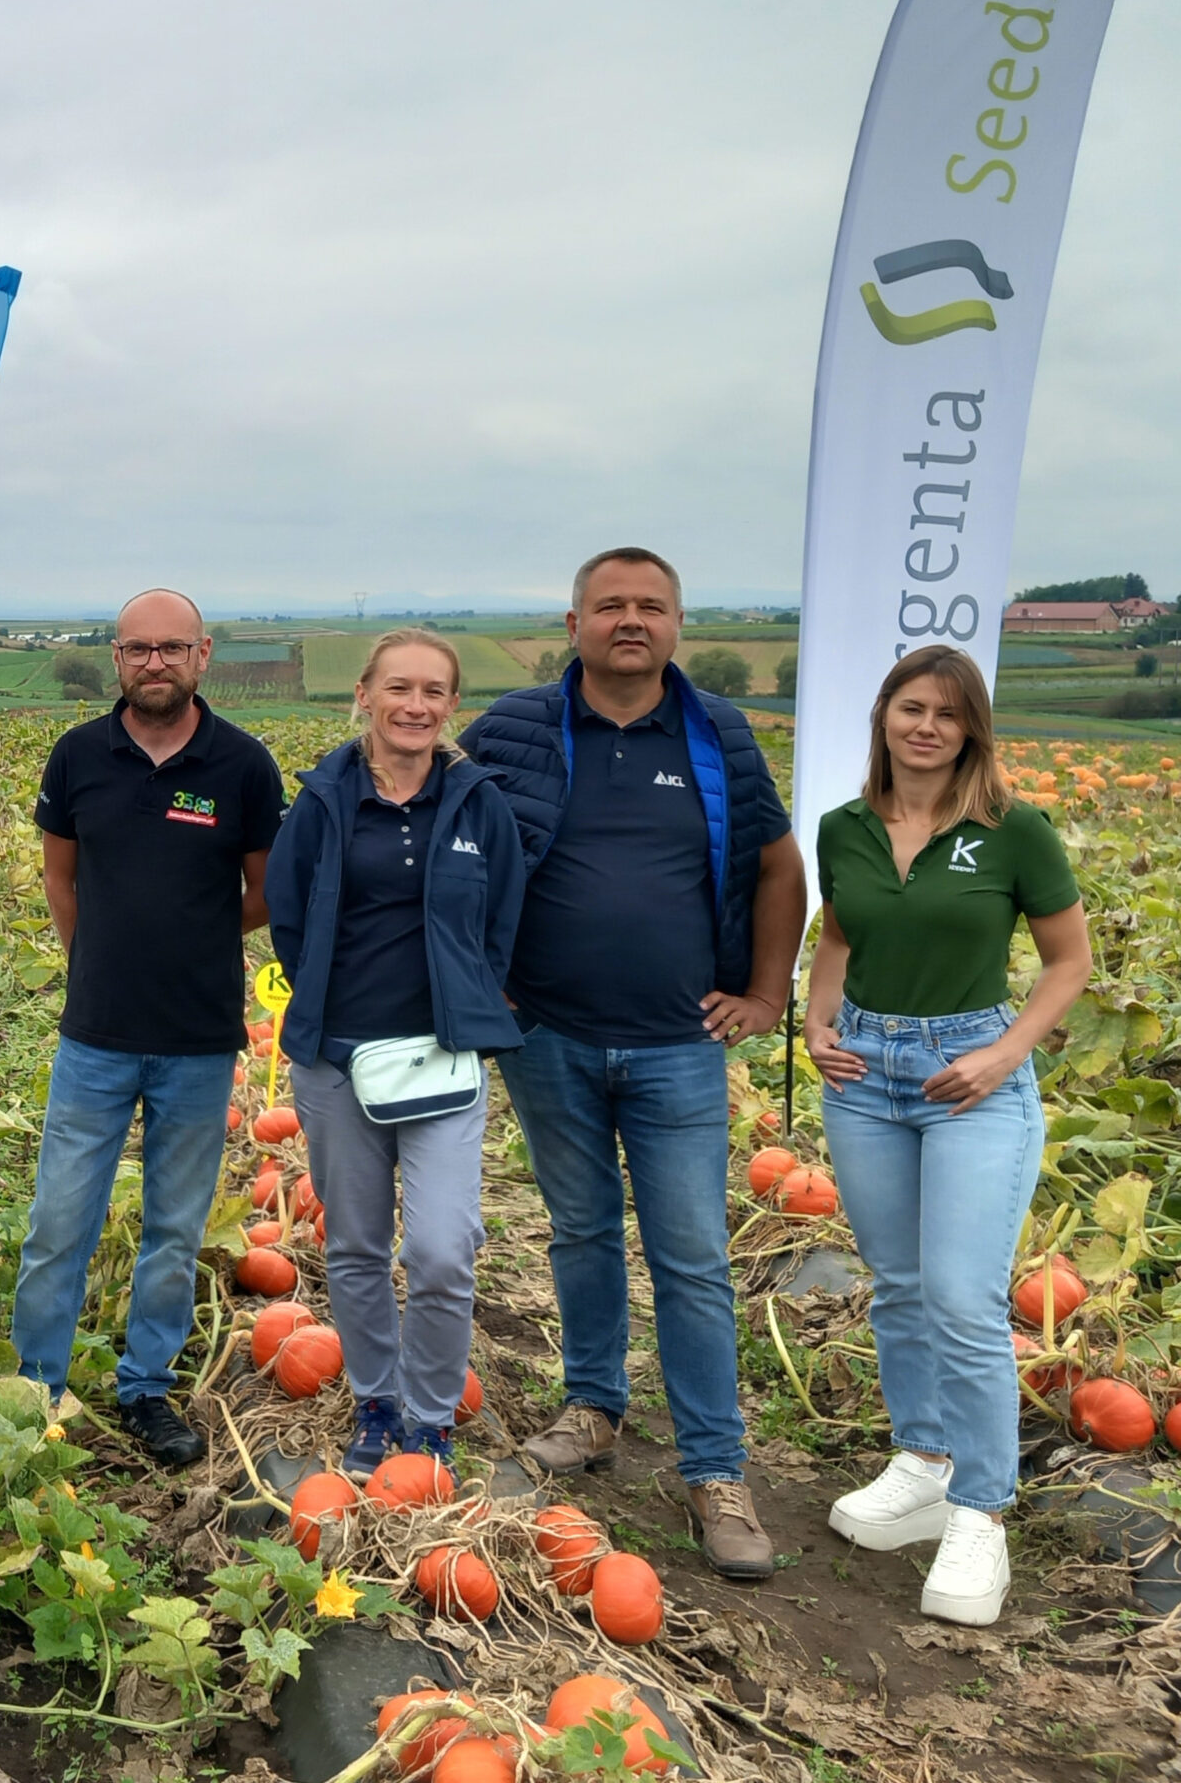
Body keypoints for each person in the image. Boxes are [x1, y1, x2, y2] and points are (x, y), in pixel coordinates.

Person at [460, 547, 803, 1581]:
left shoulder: (716, 736)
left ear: (674, 626)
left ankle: (714, 1470)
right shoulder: (512, 731)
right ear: (572, 623)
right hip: (549, 1035)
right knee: (579, 1228)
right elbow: (450, 847)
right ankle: (594, 1410)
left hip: (678, 1044)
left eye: (648, 606)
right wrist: (480, 981)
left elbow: (777, 864)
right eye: (608, 605)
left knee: (692, 1257)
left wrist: (767, 992)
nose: (628, 620)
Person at [806, 646, 1090, 1626]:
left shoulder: (1012, 834)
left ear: (970, 728)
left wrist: (1004, 1055)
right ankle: (923, 1463)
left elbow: (1067, 961)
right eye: (908, 708)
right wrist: (814, 1022)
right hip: (866, 1078)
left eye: (945, 713)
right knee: (897, 1285)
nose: (923, 726)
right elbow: (837, 937)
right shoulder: (843, 829)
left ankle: (979, 1511)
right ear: (884, 716)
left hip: (971, 1075)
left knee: (964, 1299)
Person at [9, 590, 284, 1466]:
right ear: (117, 657)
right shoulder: (79, 755)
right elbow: (62, 876)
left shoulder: (242, 765)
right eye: (138, 649)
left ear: (203, 654)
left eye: (172, 648)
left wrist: (193, 939)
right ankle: (36, 1387)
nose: (155, 663)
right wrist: (99, 953)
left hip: (201, 1041)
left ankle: (146, 1389)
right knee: (61, 1218)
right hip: (95, 1034)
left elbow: (265, 892)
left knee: (174, 1227)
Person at [271, 631, 525, 1475]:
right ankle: (378, 1402)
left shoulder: (477, 802)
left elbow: (503, 923)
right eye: (400, 689)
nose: (416, 706)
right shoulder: (324, 797)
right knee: (355, 1245)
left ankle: (430, 1411)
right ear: (366, 696)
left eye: (434, 692)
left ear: (452, 706)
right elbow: (290, 913)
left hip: (442, 1061)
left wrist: (468, 1002)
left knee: (444, 1250)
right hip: (338, 1060)